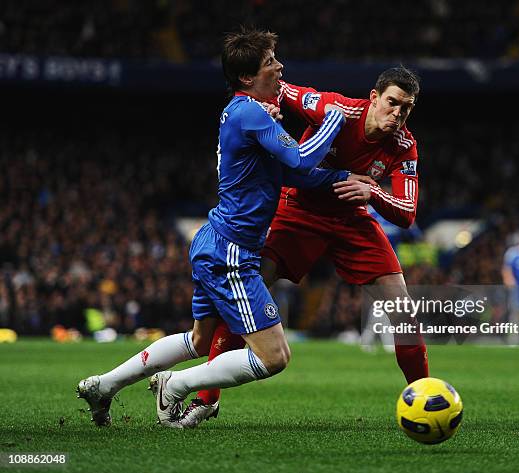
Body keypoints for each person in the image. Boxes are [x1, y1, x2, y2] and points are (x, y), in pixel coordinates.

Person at [76, 27, 371, 427]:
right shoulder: (250, 113)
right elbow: (301, 160)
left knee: (199, 340)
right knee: (274, 357)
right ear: (247, 77)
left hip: (216, 243)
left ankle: (104, 385)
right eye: (270, 62)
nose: (280, 67)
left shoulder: (248, 112)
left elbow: (291, 174)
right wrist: (334, 120)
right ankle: (175, 386)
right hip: (232, 252)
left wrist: (340, 180)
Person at [181, 66, 430, 428]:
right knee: (249, 289)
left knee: (403, 311)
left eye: (406, 108)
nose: (398, 114)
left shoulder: (404, 145)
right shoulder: (336, 109)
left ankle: (424, 399)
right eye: (392, 103)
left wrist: (372, 192)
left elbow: (408, 213)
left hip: (351, 220)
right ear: (374, 98)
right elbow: (281, 88)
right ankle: (207, 399)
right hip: (299, 209)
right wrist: (266, 109)